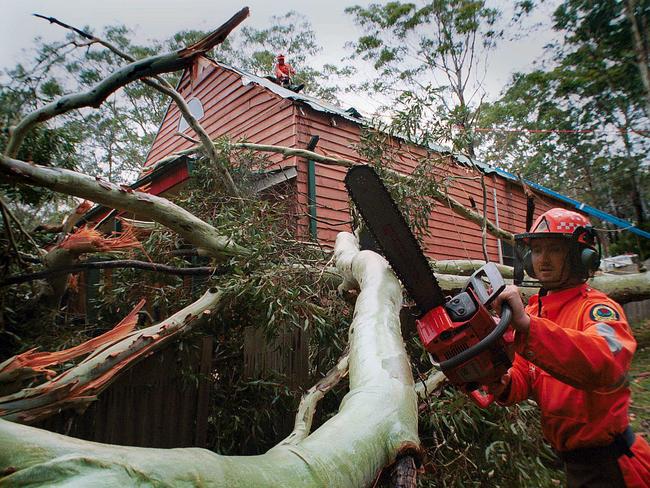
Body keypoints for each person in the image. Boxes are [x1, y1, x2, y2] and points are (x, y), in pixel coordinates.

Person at [488, 208, 650, 487]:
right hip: (575, 465)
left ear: (580, 256)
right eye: (537, 250)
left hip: (612, 466)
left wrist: (528, 327)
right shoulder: (536, 311)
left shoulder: (598, 309)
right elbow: (525, 377)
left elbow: (604, 364)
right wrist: (496, 380)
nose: (543, 259)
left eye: (554, 249)